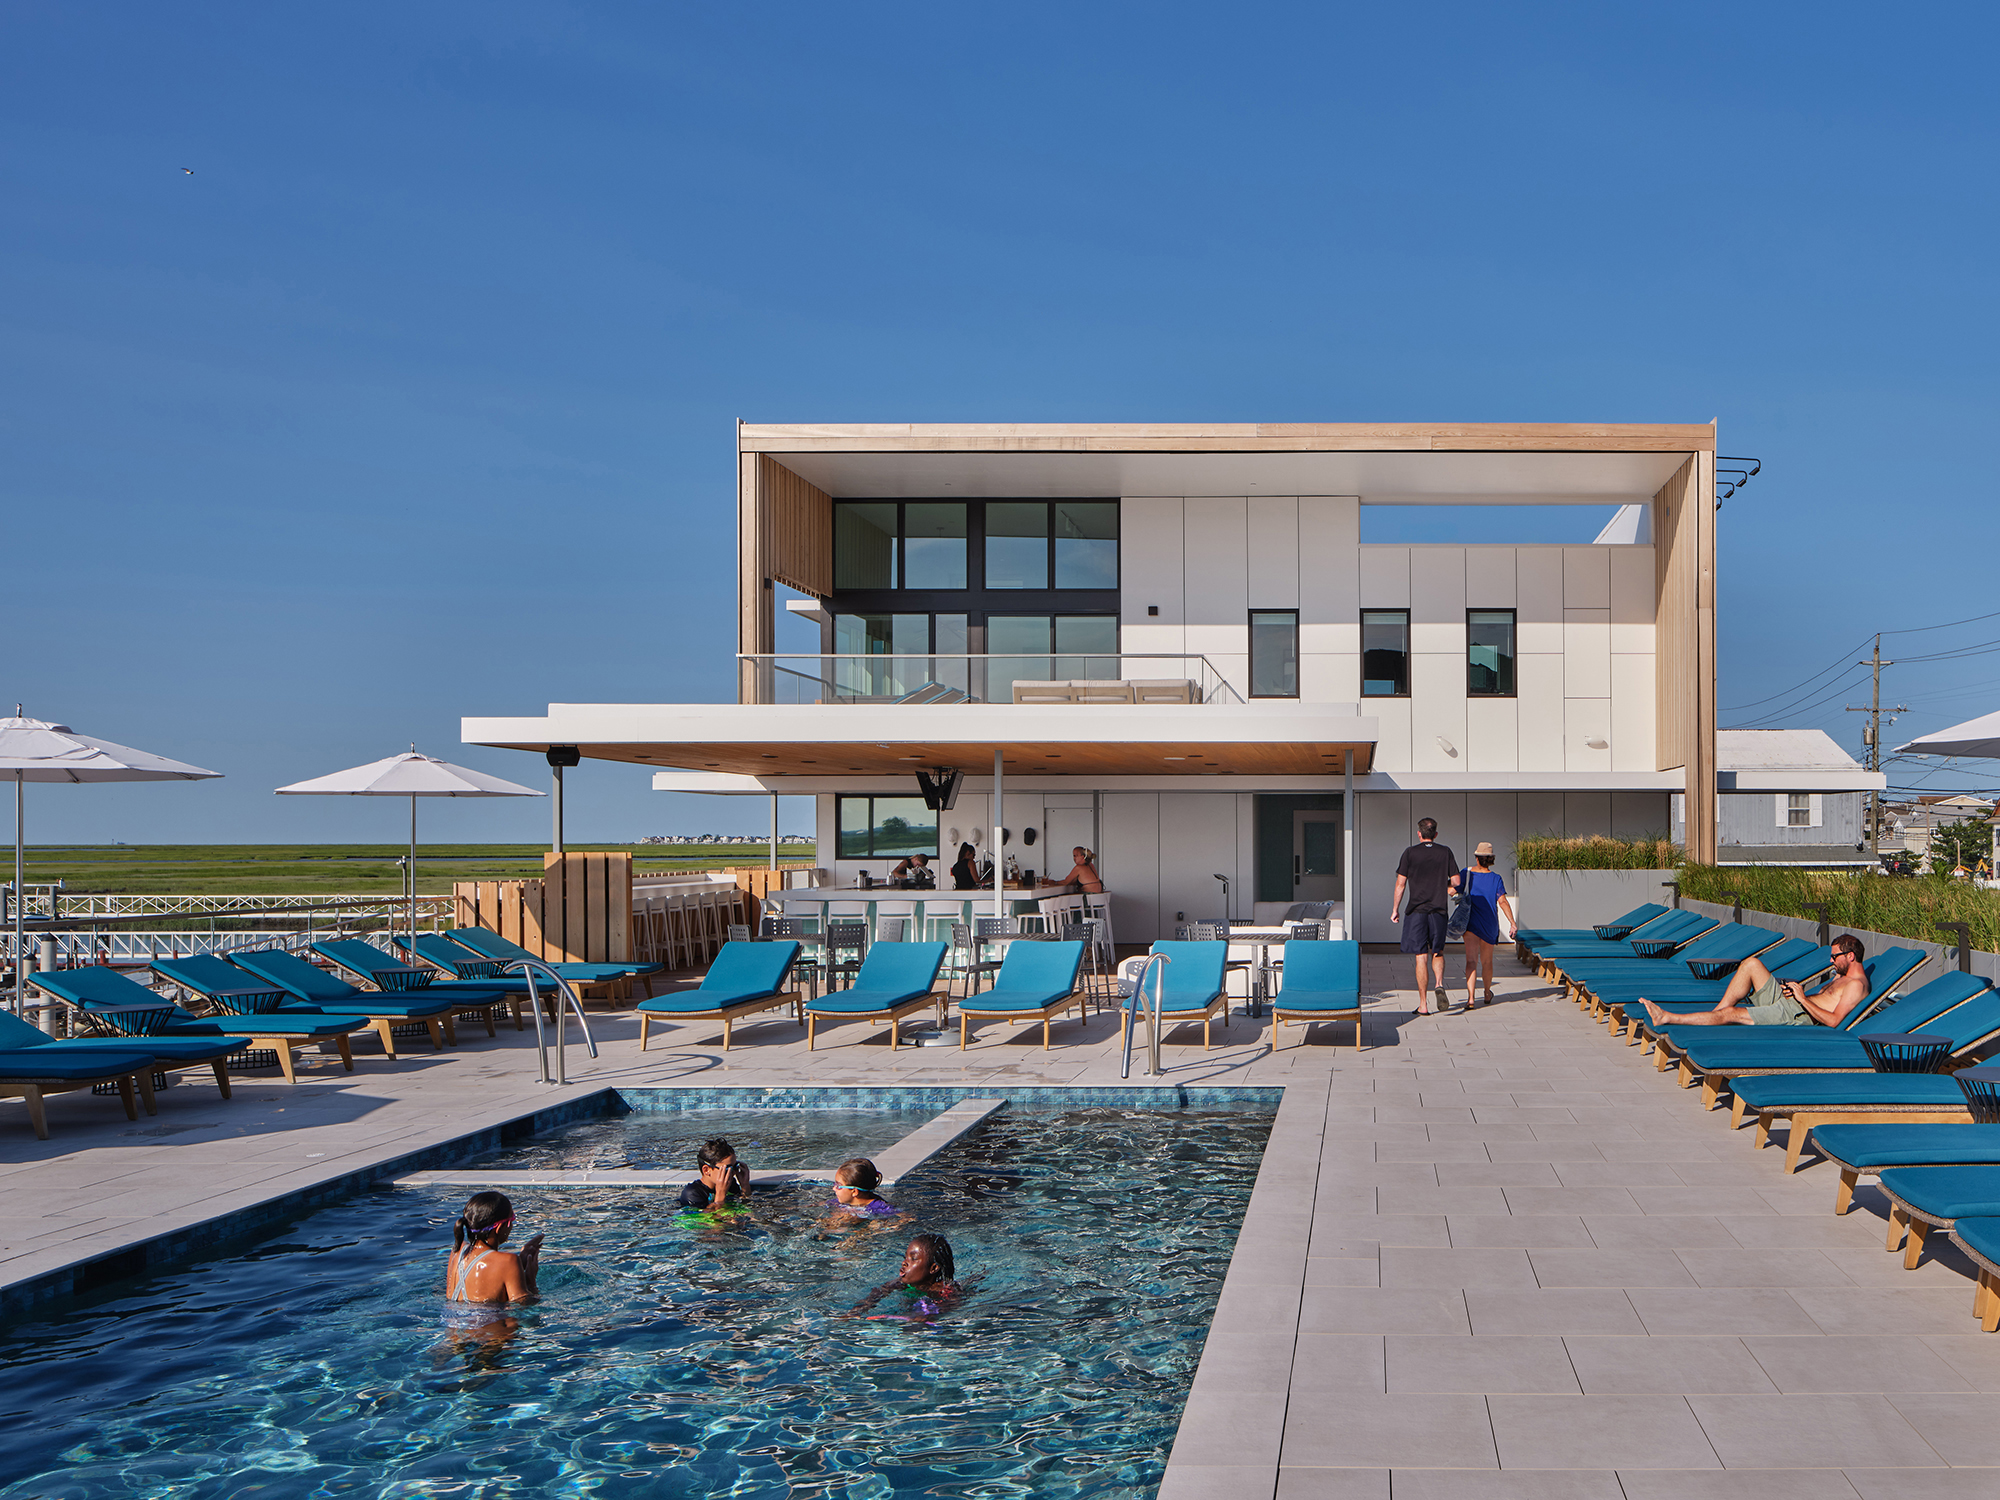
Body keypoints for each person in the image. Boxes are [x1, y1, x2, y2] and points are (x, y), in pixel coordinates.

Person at [1638, 933, 1870, 1029]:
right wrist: (1794, 994)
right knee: (1750, 964)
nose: (1830, 960)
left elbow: (1833, 1021)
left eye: (1835, 956)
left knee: (1732, 1014)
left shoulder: (1855, 985)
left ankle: (1667, 1017)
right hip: (1792, 1003)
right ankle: (1715, 1015)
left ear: (1850, 956)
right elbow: (1821, 999)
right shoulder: (1842, 975)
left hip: (1794, 1015)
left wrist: (1801, 999)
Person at [1391, 817, 1460, 1016]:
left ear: (1419, 834)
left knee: (1420, 956)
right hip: (1438, 911)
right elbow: (1456, 881)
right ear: (1436, 834)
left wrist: (1395, 909)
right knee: (1437, 952)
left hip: (1417, 912)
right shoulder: (1445, 852)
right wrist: (1444, 883)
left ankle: (1423, 1004)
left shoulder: (1410, 853)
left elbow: (1400, 884)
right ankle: (1439, 983)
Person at [443, 1191, 542, 1319]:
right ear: (499, 1228)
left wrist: (518, 1267)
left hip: (455, 1335)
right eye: (512, 1219)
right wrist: (530, 1279)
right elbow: (528, 1317)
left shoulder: (457, 1251)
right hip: (495, 1337)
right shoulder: (508, 1261)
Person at [851, 1232, 963, 1319]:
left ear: (933, 1268)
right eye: (905, 1257)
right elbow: (877, 1294)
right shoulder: (900, 1283)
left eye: (913, 1258)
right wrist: (856, 1311)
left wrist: (928, 1315)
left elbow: (951, 1306)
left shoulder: (945, 1290)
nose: (904, 1262)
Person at [1458, 842, 1514, 1009]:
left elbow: (1452, 890)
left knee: (1471, 961)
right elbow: (1502, 901)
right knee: (1487, 962)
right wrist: (1512, 922)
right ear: (1491, 860)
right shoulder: (1496, 878)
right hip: (1489, 923)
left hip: (1470, 922)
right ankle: (1487, 992)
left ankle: (1470, 998)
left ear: (1476, 857)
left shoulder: (1466, 874)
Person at [817, 1157, 907, 1233]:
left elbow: (908, 1218)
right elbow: (820, 1204)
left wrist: (879, 1228)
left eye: (838, 1186)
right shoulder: (842, 1201)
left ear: (854, 1192)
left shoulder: (879, 1207)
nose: (834, 1188)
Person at [678, 1136, 750, 1211]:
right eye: (727, 1169)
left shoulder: (731, 1184)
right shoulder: (692, 1193)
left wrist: (745, 1186)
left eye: (735, 1166)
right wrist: (720, 1195)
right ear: (706, 1170)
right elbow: (710, 1221)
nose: (733, 1172)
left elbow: (745, 1206)